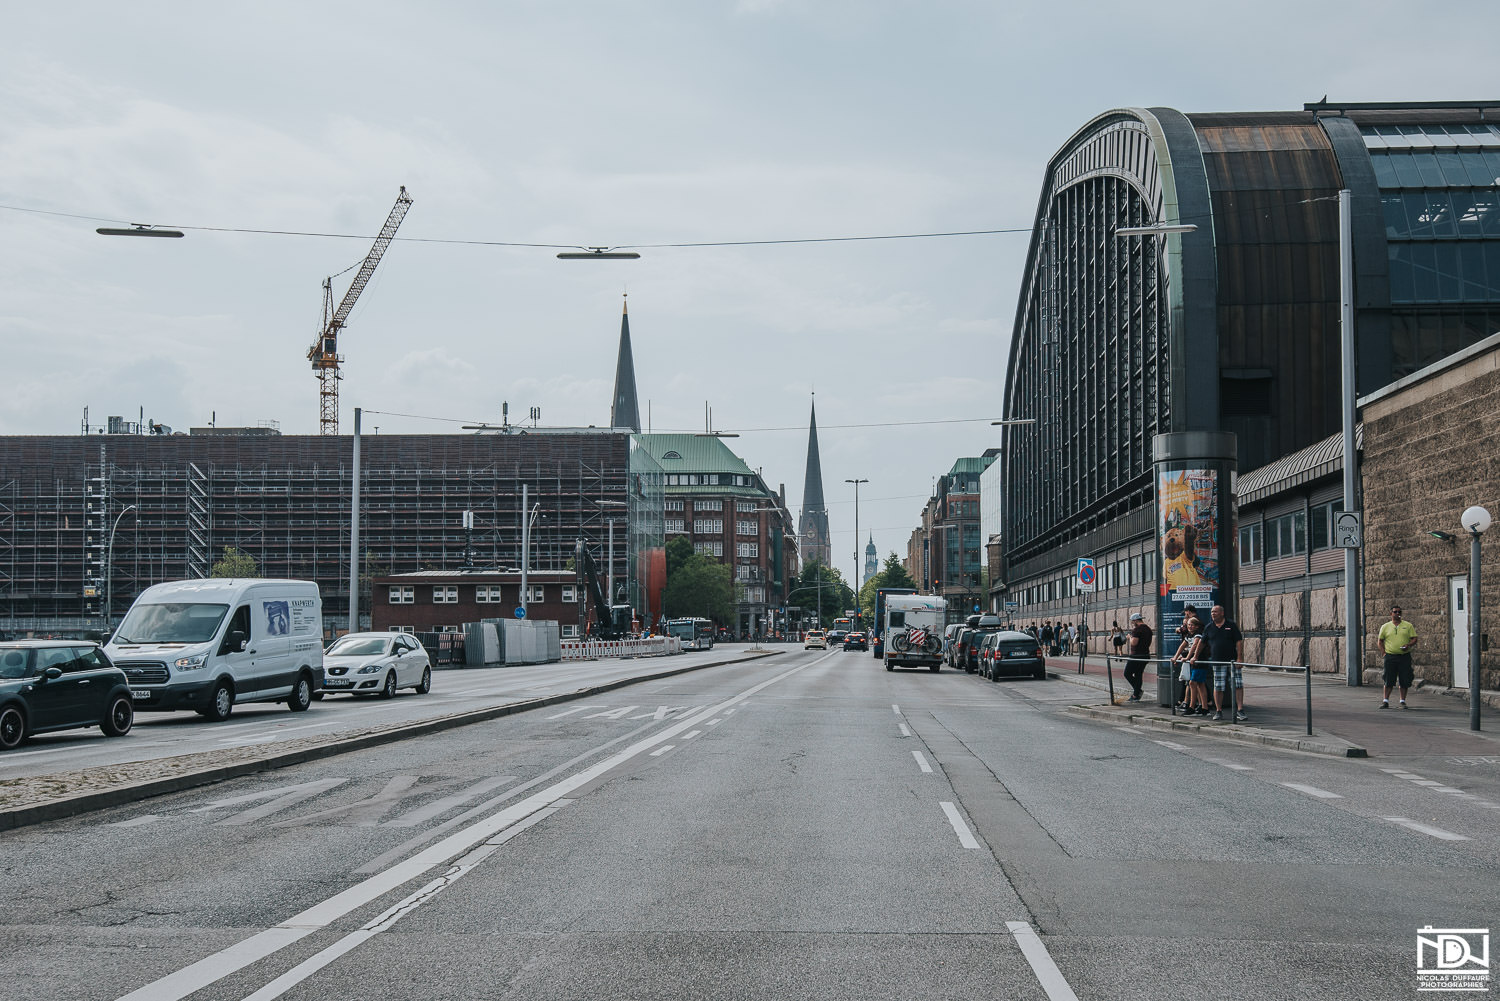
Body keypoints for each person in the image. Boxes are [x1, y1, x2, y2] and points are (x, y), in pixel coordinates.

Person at [1201, 604, 1246, 721]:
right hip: (1217, 661)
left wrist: (1240, 658)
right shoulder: (1209, 627)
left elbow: (1239, 642)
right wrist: (1194, 656)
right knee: (1218, 686)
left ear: (1222, 613)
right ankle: (1218, 710)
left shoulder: (1231, 625)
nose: (1213, 614)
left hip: (1232, 661)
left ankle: (1240, 710)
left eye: (1215, 612)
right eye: (1211, 612)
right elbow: (1202, 643)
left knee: (1238, 685)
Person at [1376, 605, 1418, 709]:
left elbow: (1414, 638)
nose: (1398, 614)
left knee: (1404, 678)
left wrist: (1409, 645)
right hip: (1390, 656)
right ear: (1391, 614)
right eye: (1395, 612)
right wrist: (1384, 653)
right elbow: (1380, 641)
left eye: (1399, 612)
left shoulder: (1408, 626)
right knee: (1388, 678)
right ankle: (1385, 701)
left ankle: (1402, 701)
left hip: (1404, 656)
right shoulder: (1385, 626)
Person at [1123, 612, 1152, 701]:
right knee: (1138, 674)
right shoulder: (1148, 629)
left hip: (1136, 655)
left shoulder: (1137, 630)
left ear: (1135, 620)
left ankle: (1137, 691)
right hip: (1145, 654)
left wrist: (1129, 637)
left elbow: (1134, 643)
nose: (1132, 624)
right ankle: (1136, 695)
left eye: (1132, 622)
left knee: (1127, 673)